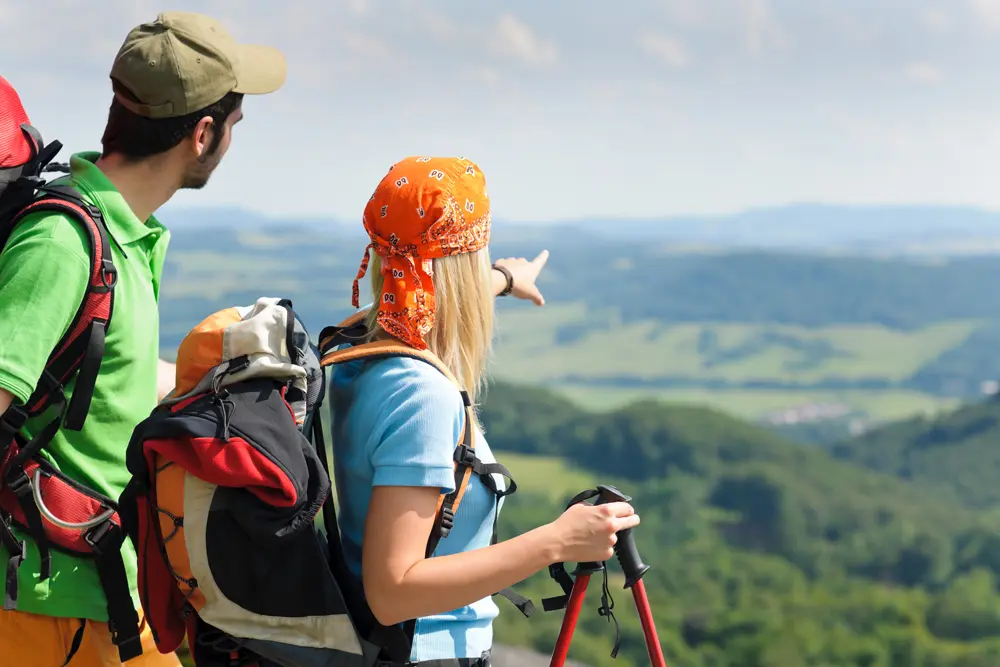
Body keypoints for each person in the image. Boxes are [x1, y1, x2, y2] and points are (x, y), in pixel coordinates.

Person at [0, 11, 286, 667]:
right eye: (235, 125)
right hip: (40, 607)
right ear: (204, 133)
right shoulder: (65, 243)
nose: (233, 140)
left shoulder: (123, 233)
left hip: (104, 594)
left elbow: (104, 380)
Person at [329, 156, 640, 666]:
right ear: (459, 269)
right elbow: (393, 592)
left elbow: (425, 290)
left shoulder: (357, 346)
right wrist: (558, 541)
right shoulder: (422, 397)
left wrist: (502, 277)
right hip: (424, 653)